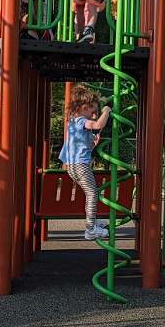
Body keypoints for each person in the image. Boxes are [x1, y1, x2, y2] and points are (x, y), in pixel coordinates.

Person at [59, 84, 112, 240]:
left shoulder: (72, 122)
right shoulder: (81, 120)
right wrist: (107, 111)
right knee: (92, 193)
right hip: (80, 165)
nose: (94, 115)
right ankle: (90, 229)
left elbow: (86, 139)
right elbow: (97, 125)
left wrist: (93, 141)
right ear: (83, 108)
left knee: (90, 193)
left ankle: (93, 221)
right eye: (92, 111)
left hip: (72, 166)